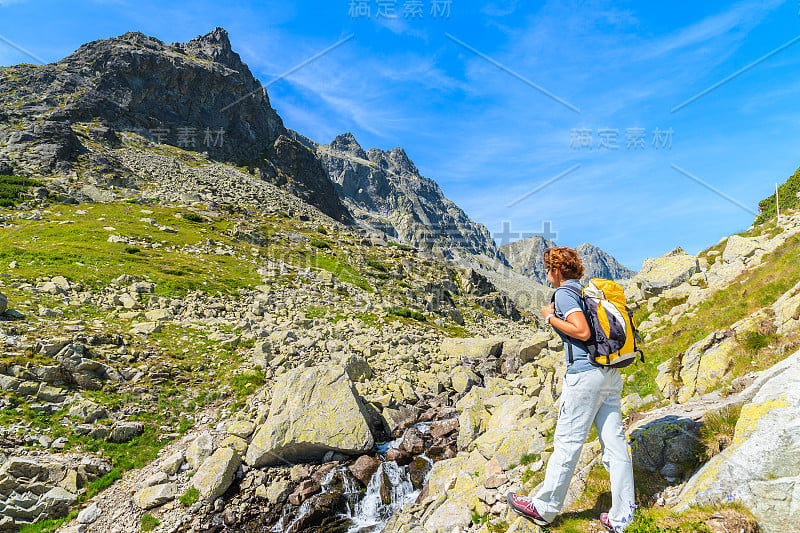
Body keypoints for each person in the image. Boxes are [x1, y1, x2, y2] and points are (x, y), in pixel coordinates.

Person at [506, 246, 636, 532]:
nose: (546, 275)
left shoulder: (565, 293)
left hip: (585, 376)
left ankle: (544, 508)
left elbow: (582, 331)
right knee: (615, 446)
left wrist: (549, 317)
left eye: (547, 270)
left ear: (555, 269)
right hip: (610, 374)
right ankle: (623, 517)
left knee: (567, 442)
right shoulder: (588, 291)